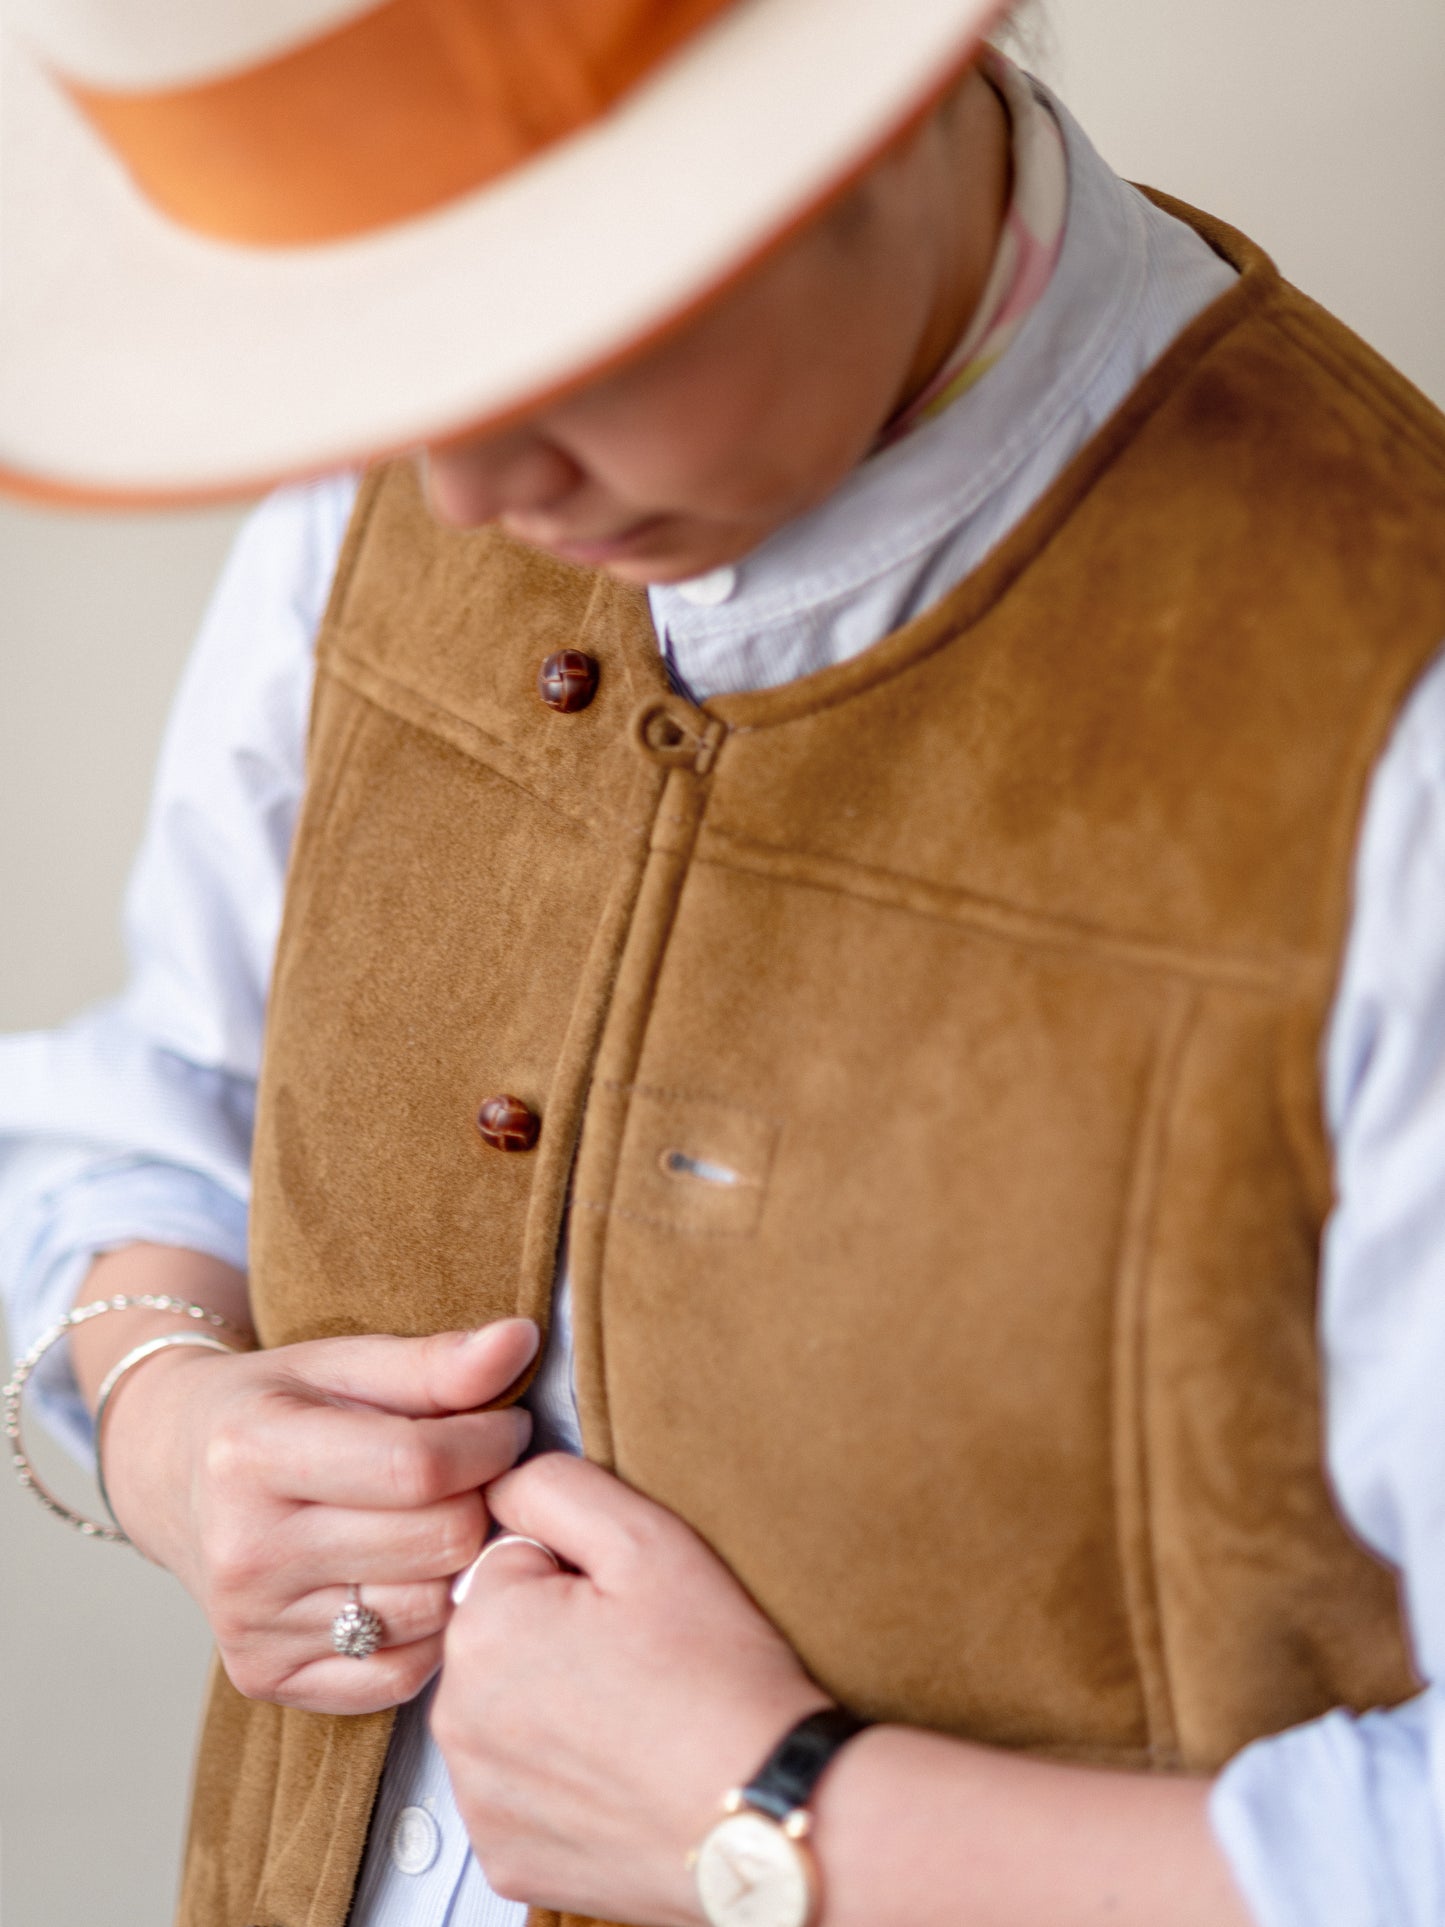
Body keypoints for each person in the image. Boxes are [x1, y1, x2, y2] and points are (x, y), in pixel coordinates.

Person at [2, 3, 1443, 1926]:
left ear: (879, 102)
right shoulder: (401, 478)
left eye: (565, 332)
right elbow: (171, 1093)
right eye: (386, 350)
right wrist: (171, 1421)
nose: (465, 488)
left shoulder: (1394, 729)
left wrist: (782, 1823)